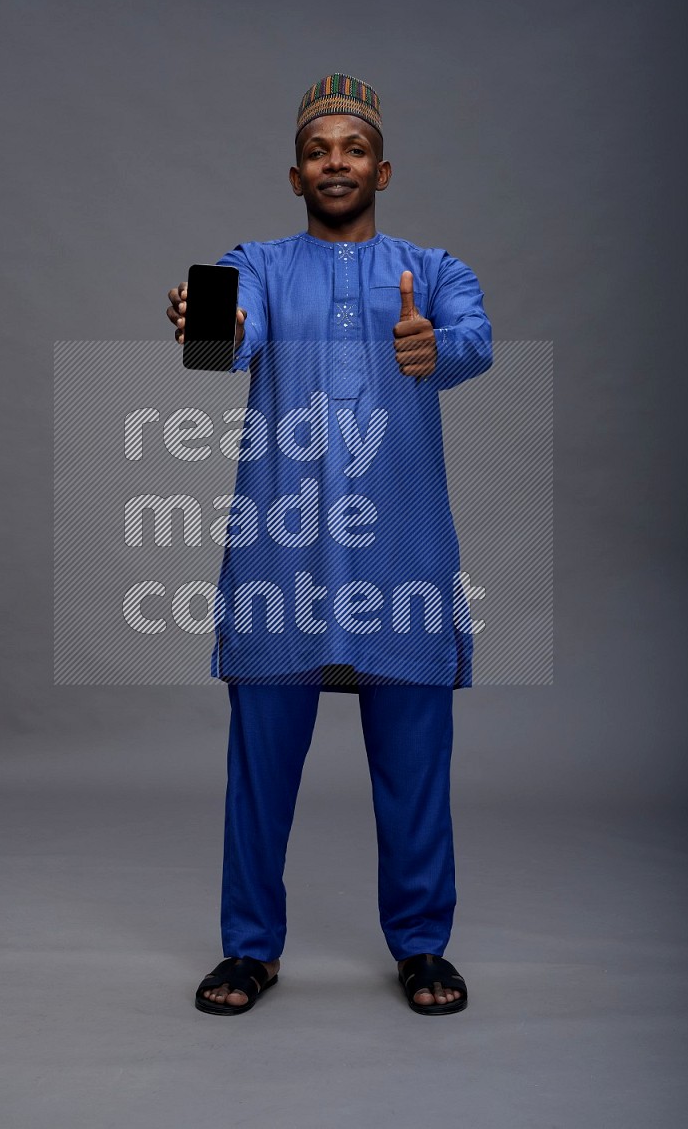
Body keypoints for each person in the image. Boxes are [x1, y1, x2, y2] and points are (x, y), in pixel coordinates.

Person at [167, 73, 492, 1016]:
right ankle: (250, 949)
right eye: (319, 152)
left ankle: (424, 946)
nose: (336, 163)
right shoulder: (260, 264)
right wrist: (211, 322)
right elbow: (231, 330)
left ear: (381, 167)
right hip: (284, 558)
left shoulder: (431, 270)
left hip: (403, 558)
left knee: (416, 769)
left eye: (352, 150)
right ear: (295, 173)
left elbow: (474, 338)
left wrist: (437, 345)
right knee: (259, 772)